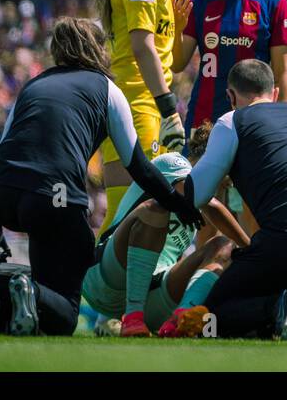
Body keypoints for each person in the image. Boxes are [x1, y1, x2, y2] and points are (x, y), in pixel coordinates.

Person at [0, 18, 201, 336]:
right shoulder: (107, 90)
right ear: (98, 49)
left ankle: (21, 295)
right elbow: (139, 167)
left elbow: (2, 160)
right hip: (51, 200)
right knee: (66, 314)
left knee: (44, 294)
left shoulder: (33, 85)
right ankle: (28, 289)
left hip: (3, 197)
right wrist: (179, 205)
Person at [174, 59, 287, 340]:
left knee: (211, 318)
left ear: (230, 97)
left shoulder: (231, 120)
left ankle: (277, 309)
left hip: (286, 244)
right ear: (274, 93)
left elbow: (197, 194)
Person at [172, 0, 287, 236]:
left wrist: (278, 123)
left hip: (253, 123)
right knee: (207, 217)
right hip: (205, 121)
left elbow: (283, 74)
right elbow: (176, 63)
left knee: (253, 213)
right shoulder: (199, 2)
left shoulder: (274, 4)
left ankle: (251, 280)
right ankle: (207, 283)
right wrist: (176, 25)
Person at [85, 0, 196, 238]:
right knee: (128, 215)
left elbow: (168, 61)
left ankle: (110, 292)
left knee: (136, 213)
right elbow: (141, 46)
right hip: (137, 104)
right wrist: (168, 109)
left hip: (140, 103)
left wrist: (176, 31)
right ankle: (91, 291)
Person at [81, 128, 250, 338]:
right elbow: (204, 199)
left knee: (223, 245)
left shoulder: (207, 199)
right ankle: (132, 319)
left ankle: (180, 319)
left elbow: (207, 252)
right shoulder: (174, 163)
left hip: (153, 296)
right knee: (155, 209)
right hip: (105, 281)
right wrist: (253, 249)